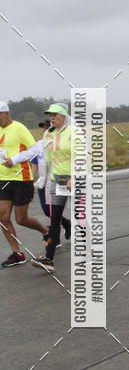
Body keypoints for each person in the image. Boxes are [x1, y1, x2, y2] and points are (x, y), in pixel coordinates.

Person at [0, 101, 49, 267]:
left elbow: (35, 150)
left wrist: (15, 159)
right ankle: (17, 253)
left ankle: (46, 232)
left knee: (21, 219)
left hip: (22, 178)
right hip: (3, 179)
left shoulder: (19, 128)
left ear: (6, 113)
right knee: (2, 216)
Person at [27, 104, 73, 273]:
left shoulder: (74, 132)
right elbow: (45, 161)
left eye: (54, 115)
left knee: (82, 217)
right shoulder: (47, 134)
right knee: (54, 219)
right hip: (56, 181)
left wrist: (73, 177)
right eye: (50, 115)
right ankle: (49, 259)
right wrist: (43, 180)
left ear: (63, 115)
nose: (52, 118)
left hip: (74, 179)